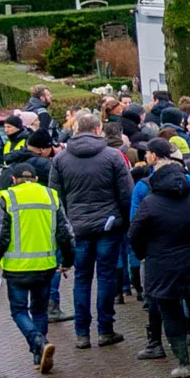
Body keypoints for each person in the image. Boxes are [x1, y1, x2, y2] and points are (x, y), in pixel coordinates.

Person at [131, 158, 190, 378]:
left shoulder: (150, 203)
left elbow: (134, 234)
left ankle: (183, 364)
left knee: (170, 313)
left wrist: (143, 254)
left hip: (162, 266)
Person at [0, 155, 67, 373]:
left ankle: (38, 342)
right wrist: (68, 260)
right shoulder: (51, 195)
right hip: (45, 266)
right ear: (36, 178)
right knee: (39, 310)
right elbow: (65, 232)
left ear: (14, 179)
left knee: (19, 310)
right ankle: (39, 357)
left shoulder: (6, 197)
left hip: (16, 269)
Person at [55, 109, 130, 349]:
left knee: (82, 278)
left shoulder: (61, 159)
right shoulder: (113, 156)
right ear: (98, 129)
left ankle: (82, 332)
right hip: (108, 225)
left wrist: (64, 226)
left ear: (76, 128)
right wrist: (125, 222)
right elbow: (126, 194)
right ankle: (105, 329)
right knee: (106, 276)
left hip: (77, 227)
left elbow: (56, 198)